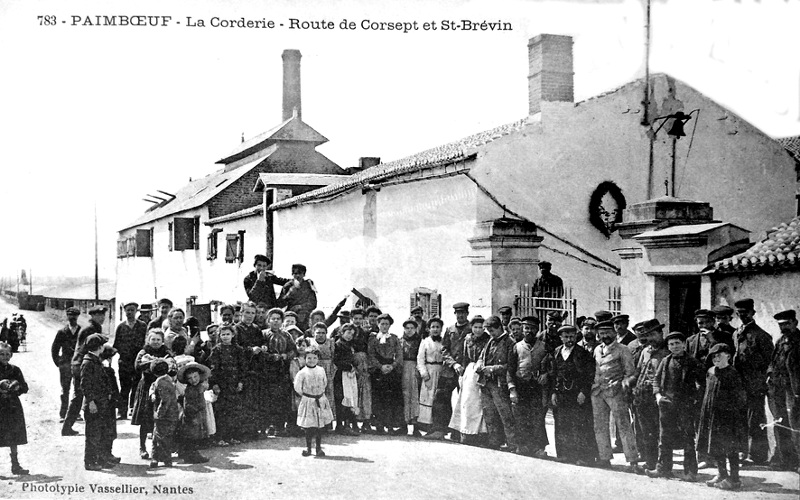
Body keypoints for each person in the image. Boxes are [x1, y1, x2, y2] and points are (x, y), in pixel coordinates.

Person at [647, 332, 705, 481]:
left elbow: (702, 383)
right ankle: (663, 469)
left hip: (685, 405)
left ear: (684, 344)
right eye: (671, 344)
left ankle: (690, 471)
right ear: (668, 346)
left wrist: (695, 400)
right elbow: (656, 380)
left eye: (677, 343)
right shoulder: (666, 361)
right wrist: (658, 396)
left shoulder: (692, 362)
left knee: (688, 438)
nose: (675, 347)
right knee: (664, 437)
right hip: (667, 404)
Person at [697, 343, 748, 490]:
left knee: (730, 448)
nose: (716, 359)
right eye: (713, 356)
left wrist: (732, 413)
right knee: (715, 446)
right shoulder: (711, 372)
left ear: (729, 356)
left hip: (727, 418)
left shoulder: (733, 374)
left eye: (719, 355)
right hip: (711, 415)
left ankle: (734, 479)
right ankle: (721, 474)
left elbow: (739, 398)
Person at [591, 320, 640, 472]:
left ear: (614, 333)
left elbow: (630, 373)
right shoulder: (597, 349)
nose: (605, 336)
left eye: (608, 332)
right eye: (602, 333)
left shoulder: (623, 349)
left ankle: (632, 460)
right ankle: (604, 458)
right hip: (598, 392)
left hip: (616, 392)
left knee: (623, 425)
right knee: (600, 426)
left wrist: (623, 385)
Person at [546, 325, 597, 466]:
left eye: (572, 337)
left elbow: (589, 374)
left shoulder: (583, 353)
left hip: (577, 393)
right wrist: (554, 393)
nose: (569, 340)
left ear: (576, 337)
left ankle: (583, 456)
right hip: (562, 392)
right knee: (562, 423)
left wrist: (583, 392)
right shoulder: (557, 352)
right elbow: (553, 374)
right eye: (566, 337)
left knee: (579, 424)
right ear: (561, 338)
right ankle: (564, 454)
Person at [732, 298, 773, 465]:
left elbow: (770, 362)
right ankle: (743, 453)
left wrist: (762, 380)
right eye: (740, 313)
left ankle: (758, 456)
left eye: (746, 313)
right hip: (739, 385)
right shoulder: (736, 333)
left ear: (753, 313)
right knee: (740, 420)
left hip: (754, 384)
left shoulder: (761, 335)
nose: (743, 316)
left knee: (755, 420)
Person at [63, 305, 108, 437]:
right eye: (99, 315)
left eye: (103, 315)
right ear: (92, 316)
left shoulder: (93, 327)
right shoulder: (91, 329)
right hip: (81, 364)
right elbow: (91, 348)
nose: (102, 318)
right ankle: (67, 427)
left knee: (80, 395)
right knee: (79, 395)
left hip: (82, 363)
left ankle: (68, 426)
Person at [508, 316, 548, 457]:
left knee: (537, 418)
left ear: (537, 330)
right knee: (521, 416)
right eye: (526, 328)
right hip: (521, 386)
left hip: (537, 387)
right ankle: (523, 445)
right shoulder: (516, 347)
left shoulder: (544, 347)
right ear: (522, 329)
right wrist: (512, 389)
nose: (529, 331)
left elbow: (550, 366)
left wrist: (546, 375)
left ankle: (538, 447)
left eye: (532, 328)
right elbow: (510, 370)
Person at [631, 319, 668, 472]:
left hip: (658, 396)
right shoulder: (646, 351)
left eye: (653, 334)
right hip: (642, 395)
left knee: (661, 432)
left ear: (660, 333)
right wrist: (631, 384)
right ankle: (650, 462)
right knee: (646, 432)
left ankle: (663, 465)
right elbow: (639, 371)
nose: (650, 338)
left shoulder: (668, 351)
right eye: (647, 335)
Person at [478, 316, 518, 452]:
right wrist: (479, 365)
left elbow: (511, 365)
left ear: (500, 327)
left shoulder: (509, 342)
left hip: (500, 384)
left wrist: (493, 369)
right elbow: (481, 356)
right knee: (489, 413)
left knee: (505, 414)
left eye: (492, 330)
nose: (490, 333)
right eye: (488, 331)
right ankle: (494, 441)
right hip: (486, 383)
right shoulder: (490, 341)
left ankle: (512, 444)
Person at [767, 309, 800, 472]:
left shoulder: (799, 341)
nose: (784, 327)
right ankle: (784, 459)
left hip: (793, 390)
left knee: (796, 425)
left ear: (795, 323)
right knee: (780, 423)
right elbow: (772, 361)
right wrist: (769, 375)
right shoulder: (780, 341)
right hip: (777, 389)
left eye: (787, 323)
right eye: (781, 325)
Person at [131, 329, 172, 459]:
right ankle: (142, 447)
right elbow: (138, 365)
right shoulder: (143, 352)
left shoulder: (166, 351)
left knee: (160, 418)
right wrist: (155, 362)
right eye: (153, 339)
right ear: (148, 340)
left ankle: (159, 448)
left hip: (162, 387)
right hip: (147, 386)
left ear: (162, 341)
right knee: (145, 419)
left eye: (158, 340)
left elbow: (172, 364)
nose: (155, 342)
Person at [448, 315, 490, 446]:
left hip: (481, 370)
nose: (478, 330)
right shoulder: (467, 339)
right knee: (466, 402)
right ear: (471, 327)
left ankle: (480, 433)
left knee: (479, 403)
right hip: (469, 371)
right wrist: (462, 374)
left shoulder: (488, 340)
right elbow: (465, 357)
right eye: (475, 327)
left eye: (481, 327)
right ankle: (465, 431)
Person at [234, 302, 270, 439]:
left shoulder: (256, 329)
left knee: (256, 400)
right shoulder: (236, 329)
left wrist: (263, 347)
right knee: (244, 401)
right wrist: (250, 350)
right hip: (243, 369)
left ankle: (255, 430)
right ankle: (244, 432)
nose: (250, 316)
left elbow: (262, 343)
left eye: (252, 313)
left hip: (256, 369)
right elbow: (235, 348)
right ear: (241, 313)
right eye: (247, 312)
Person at [80, 334, 116, 471]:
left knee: (101, 432)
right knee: (92, 435)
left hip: (101, 403)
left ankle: (100, 459)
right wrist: (90, 402)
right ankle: (89, 462)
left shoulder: (94, 360)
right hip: (94, 404)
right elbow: (85, 385)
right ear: (99, 347)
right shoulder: (88, 362)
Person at [206, 324, 246, 446]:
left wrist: (241, 382)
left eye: (228, 334)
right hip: (222, 385)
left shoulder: (238, 350)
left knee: (234, 411)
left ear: (233, 335)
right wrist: (215, 384)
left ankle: (232, 436)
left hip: (234, 384)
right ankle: (220, 438)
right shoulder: (216, 350)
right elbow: (213, 368)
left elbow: (242, 367)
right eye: (223, 334)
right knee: (222, 411)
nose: (225, 337)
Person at [262, 307, 298, 437]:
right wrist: (270, 356)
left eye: (278, 319)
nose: (276, 321)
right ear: (268, 320)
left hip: (282, 371)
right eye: (273, 319)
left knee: (282, 399)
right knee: (269, 398)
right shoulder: (264, 334)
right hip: (268, 371)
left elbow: (294, 350)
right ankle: (269, 425)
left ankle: (280, 425)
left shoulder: (286, 335)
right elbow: (261, 351)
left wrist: (285, 356)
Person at [440, 302, 471, 441]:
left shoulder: (472, 329)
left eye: (463, 313)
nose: (460, 316)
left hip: (466, 371)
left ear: (467, 314)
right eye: (458, 313)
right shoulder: (449, 330)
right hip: (450, 370)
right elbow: (444, 350)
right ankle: (442, 428)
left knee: (464, 401)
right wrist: (453, 364)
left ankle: (461, 431)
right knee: (441, 397)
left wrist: (464, 366)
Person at [368, 313, 404, 435]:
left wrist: (392, 366)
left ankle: (390, 425)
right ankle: (379, 425)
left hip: (391, 370)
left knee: (390, 399)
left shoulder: (394, 338)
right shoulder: (373, 339)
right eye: (382, 324)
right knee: (378, 399)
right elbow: (371, 355)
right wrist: (380, 366)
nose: (384, 326)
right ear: (378, 324)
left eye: (386, 324)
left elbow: (399, 355)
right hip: (378, 370)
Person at [294, 348, 334, 457]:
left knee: (319, 426)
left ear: (318, 359)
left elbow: (324, 382)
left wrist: (319, 394)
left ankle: (318, 448)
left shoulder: (321, 370)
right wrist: (307, 396)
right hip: (308, 400)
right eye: (309, 358)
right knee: (309, 426)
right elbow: (297, 387)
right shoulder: (302, 372)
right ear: (305, 358)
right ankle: (308, 448)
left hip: (320, 400)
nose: (312, 360)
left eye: (315, 358)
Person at [113, 302, 147, 419]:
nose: (130, 312)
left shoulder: (142, 326)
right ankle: (122, 411)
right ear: (124, 311)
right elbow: (116, 345)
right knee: (124, 387)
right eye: (128, 310)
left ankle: (133, 410)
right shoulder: (121, 327)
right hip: (125, 362)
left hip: (137, 362)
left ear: (136, 311)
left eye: (132, 310)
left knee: (137, 386)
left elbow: (145, 344)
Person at [0, 342, 29, 475]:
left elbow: (25, 387)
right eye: (1, 354)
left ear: (11, 355)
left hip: (12, 406)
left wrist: (17, 386)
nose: (5, 357)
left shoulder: (15, 369)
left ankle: (15, 465)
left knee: (14, 435)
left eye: (7, 354)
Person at [177, 362, 211, 464]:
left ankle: (188, 454)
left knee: (193, 436)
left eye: (195, 376)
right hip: (192, 416)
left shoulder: (198, 387)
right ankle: (192, 455)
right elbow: (188, 405)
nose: (194, 380)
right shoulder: (191, 390)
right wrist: (193, 414)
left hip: (197, 414)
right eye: (190, 378)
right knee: (192, 437)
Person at [52, 306, 81, 422]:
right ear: (67, 317)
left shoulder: (81, 331)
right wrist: (59, 362)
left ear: (78, 317)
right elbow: (55, 349)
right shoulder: (62, 332)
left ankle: (76, 413)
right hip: (65, 364)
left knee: (78, 389)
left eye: (74, 316)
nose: (72, 318)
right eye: (70, 316)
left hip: (78, 364)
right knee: (65, 390)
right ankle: (63, 414)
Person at [149, 358, 178, 468]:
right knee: (158, 436)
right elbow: (153, 386)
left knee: (161, 437)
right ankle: (156, 458)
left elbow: (165, 401)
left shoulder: (161, 382)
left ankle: (165, 459)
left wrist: (159, 414)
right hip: (171, 414)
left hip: (165, 415)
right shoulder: (167, 379)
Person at [417, 318, 444, 435]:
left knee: (439, 399)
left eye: (438, 327)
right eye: (433, 327)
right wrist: (424, 375)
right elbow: (420, 359)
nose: (435, 329)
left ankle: (437, 426)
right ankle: (426, 426)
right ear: (428, 329)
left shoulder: (444, 341)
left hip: (441, 371)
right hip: (429, 371)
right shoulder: (425, 342)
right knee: (428, 397)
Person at [333, 323, 360, 435]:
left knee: (350, 397)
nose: (350, 336)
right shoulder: (338, 345)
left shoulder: (350, 345)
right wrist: (349, 366)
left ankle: (350, 423)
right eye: (348, 333)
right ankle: (341, 425)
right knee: (342, 399)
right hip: (341, 374)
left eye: (352, 334)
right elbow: (337, 360)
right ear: (342, 333)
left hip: (349, 375)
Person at [349, 308, 373, 433]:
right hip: (353, 363)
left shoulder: (366, 332)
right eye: (355, 318)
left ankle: (366, 421)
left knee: (365, 392)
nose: (358, 321)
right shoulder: (347, 330)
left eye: (360, 319)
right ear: (351, 319)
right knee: (353, 393)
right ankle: (353, 422)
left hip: (364, 364)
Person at [310, 322, 336, 425]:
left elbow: (334, 357)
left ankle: (327, 422)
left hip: (328, 370)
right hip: (314, 370)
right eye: (318, 333)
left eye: (323, 333)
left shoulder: (331, 343)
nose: (320, 335)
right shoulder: (310, 342)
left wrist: (332, 371)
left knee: (328, 396)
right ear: (313, 333)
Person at [278, 263, 318, 331]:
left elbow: (313, 303)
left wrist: (301, 307)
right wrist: (289, 294)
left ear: (304, 274)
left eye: (300, 273)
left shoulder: (308, 286)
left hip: (304, 319)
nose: (298, 276)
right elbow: (280, 304)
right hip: (290, 318)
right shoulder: (287, 286)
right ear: (292, 274)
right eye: (295, 273)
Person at [400, 318, 421, 436]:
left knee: (415, 395)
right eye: (407, 328)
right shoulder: (400, 340)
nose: (409, 330)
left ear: (415, 329)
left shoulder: (420, 341)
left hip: (415, 367)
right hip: (403, 367)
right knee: (404, 395)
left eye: (412, 328)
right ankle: (404, 424)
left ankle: (415, 424)